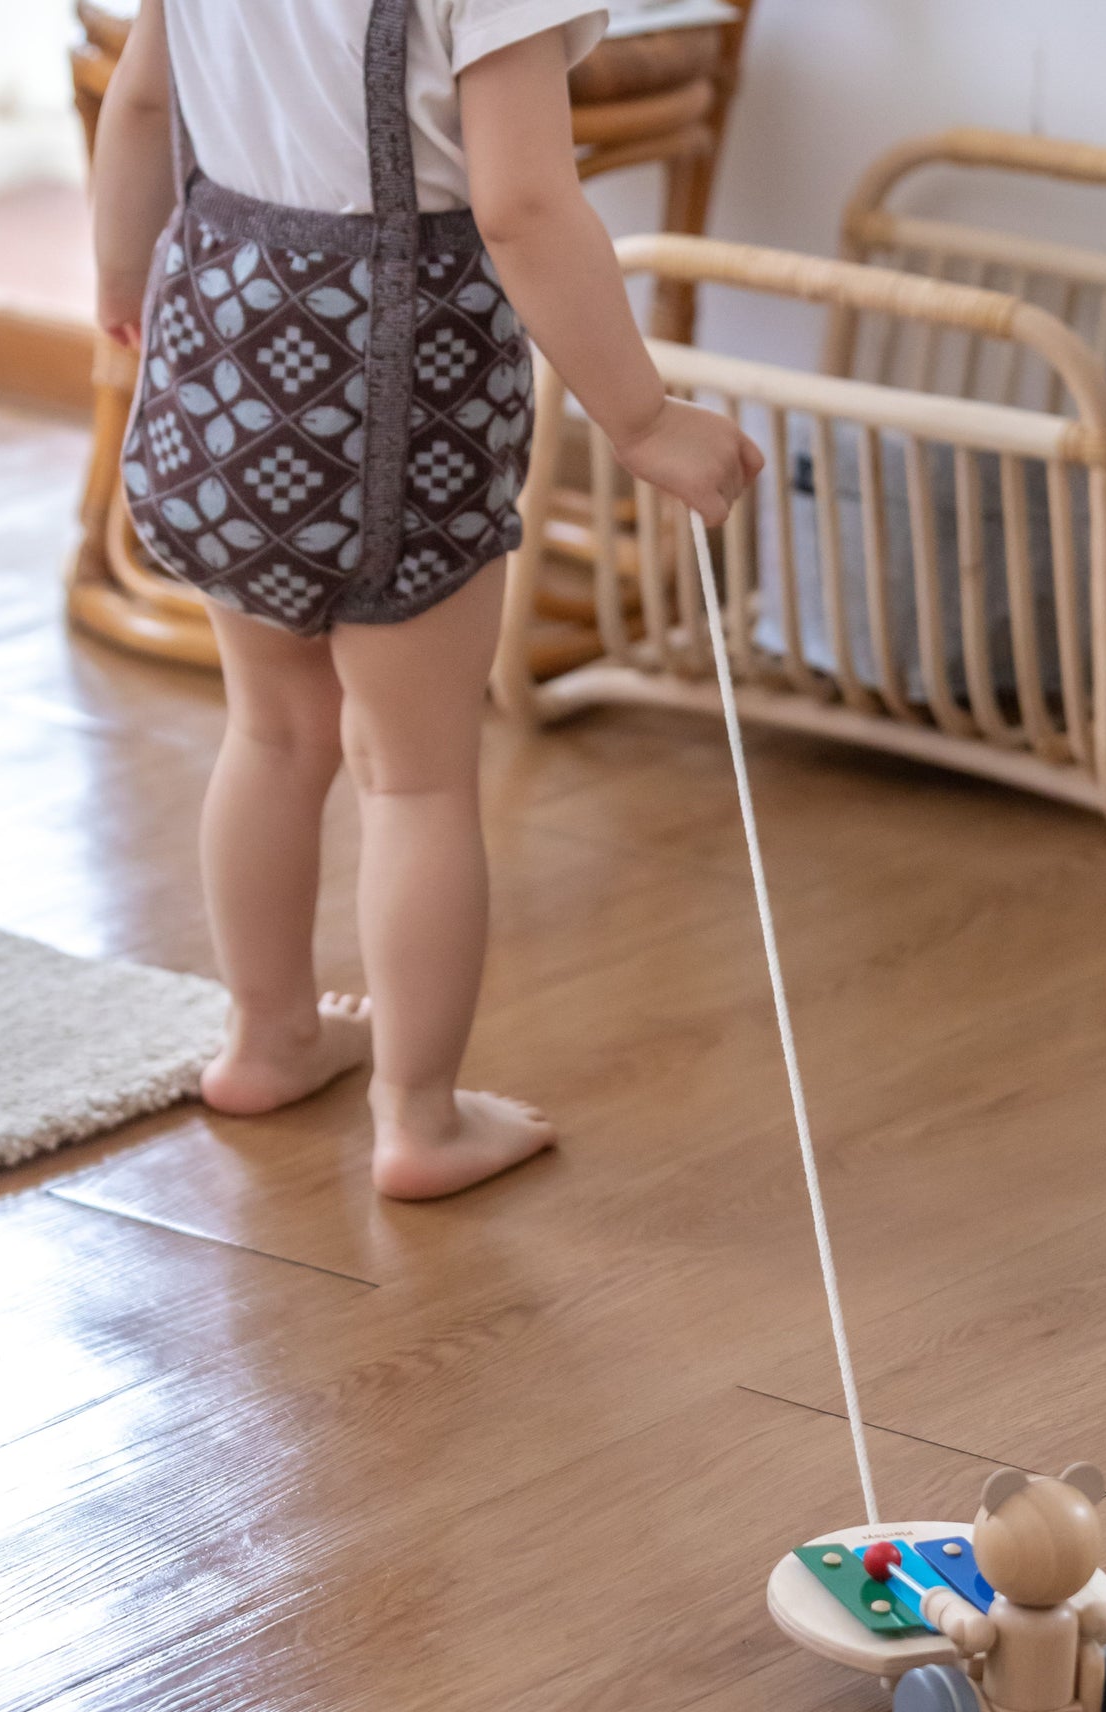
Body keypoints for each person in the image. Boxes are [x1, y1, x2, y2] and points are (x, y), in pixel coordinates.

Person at [92, 0, 762, 1198]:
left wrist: (116, 287)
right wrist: (643, 420)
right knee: (414, 776)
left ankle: (266, 1038)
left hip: (221, 346)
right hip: (399, 388)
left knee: (270, 732)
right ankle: (418, 1116)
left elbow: (141, 103)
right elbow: (522, 206)